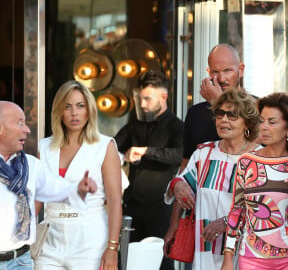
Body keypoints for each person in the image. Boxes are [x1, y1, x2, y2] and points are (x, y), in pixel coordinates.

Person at [164, 43, 247, 269]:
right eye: (214, 71)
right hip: (203, 227)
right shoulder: (196, 114)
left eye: (227, 70)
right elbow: (184, 170)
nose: (220, 78)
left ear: (241, 69)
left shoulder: (257, 108)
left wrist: (217, 102)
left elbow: (261, 152)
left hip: (246, 241)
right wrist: (174, 223)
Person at [34, 80, 122, 270]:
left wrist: (112, 248)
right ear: (59, 112)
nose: (74, 113)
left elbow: (115, 199)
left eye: (80, 106)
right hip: (49, 240)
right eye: (67, 107)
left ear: (89, 110)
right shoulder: (44, 148)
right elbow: (36, 199)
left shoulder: (104, 146)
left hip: (90, 240)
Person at [0, 101, 97, 270]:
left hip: (20, 262)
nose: (27, 130)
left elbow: (60, 190)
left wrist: (79, 189)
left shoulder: (30, 165)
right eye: (19, 123)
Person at [221, 92, 288, 270]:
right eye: (262, 121)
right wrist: (228, 256)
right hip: (251, 259)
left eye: (272, 122)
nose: (264, 127)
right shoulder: (246, 162)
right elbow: (237, 211)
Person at [115, 70, 184, 270]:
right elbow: (111, 147)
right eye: (141, 98)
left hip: (160, 209)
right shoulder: (135, 125)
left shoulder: (177, 127)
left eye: (148, 99)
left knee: (161, 263)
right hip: (132, 207)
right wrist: (123, 156)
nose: (143, 104)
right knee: (127, 262)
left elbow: (179, 155)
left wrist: (146, 151)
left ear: (164, 97)